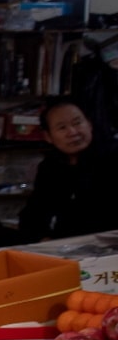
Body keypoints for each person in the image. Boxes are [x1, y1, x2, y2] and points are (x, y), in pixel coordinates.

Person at [20, 97, 118, 241]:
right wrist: (42, 238)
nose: (73, 132)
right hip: (67, 246)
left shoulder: (113, 156)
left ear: (89, 124)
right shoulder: (50, 167)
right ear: (48, 136)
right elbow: (35, 213)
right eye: (62, 127)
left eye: (77, 123)